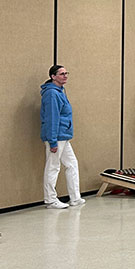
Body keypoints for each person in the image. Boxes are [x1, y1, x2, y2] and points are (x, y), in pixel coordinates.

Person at [40, 64, 83, 209]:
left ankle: (75, 198)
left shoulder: (60, 92)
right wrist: (52, 141)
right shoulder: (52, 94)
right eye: (61, 74)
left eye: (66, 73)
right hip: (56, 136)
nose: (65, 76)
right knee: (53, 166)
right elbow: (52, 118)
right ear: (53, 77)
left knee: (72, 164)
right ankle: (50, 200)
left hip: (63, 135)